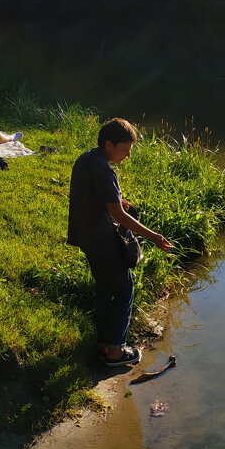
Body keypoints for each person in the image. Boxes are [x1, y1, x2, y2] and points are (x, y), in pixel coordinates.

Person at [68, 118, 174, 366]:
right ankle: (116, 352)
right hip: (103, 240)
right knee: (124, 290)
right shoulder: (103, 169)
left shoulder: (87, 159)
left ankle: (106, 344)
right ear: (109, 144)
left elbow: (96, 198)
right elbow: (118, 215)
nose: (128, 155)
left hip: (86, 236)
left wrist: (117, 203)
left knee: (106, 290)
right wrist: (155, 237)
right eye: (125, 149)